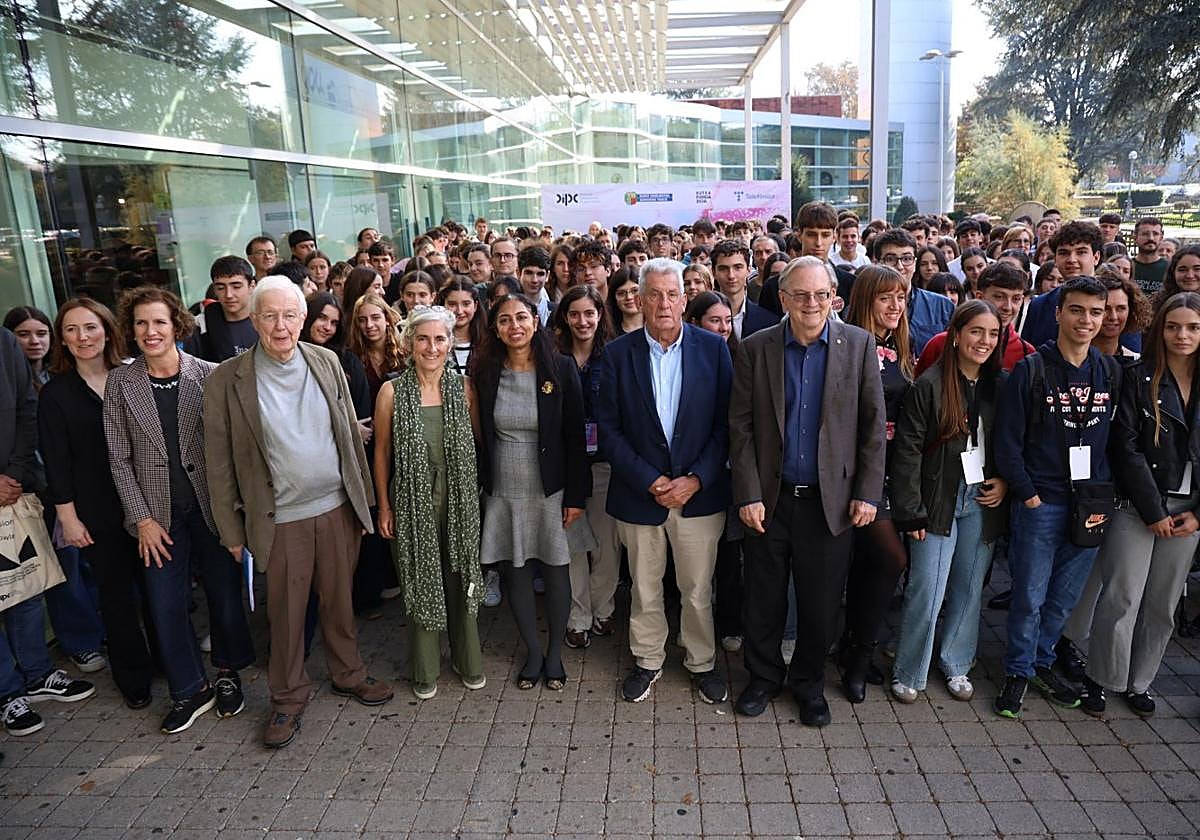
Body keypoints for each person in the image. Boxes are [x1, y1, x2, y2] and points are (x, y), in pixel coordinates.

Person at [204, 276, 392, 748]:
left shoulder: (326, 360)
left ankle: (349, 673)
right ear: (253, 321)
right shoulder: (228, 379)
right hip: (280, 518)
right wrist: (231, 530)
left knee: (340, 601)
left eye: (289, 315)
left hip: (336, 507)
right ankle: (287, 698)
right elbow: (219, 462)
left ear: (303, 319)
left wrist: (363, 502)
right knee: (286, 614)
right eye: (269, 315)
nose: (280, 325)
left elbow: (348, 433)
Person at [729, 255, 886, 726]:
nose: (811, 303)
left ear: (833, 298)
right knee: (763, 599)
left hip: (830, 504)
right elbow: (739, 426)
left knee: (819, 607)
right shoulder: (756, 348)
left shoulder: (858, 345)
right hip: (770, 501)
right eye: (800, 295)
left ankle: (808, 683)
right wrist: (748, 493)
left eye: (821, 294)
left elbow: (873, 428)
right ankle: (762, 678)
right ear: (783, 299)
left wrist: (867, 493)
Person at [104, 286, 253, 734]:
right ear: (132, 331)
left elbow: (233, 450)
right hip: (157, 518)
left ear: (177, 327)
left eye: (159, 322)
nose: (150, 331)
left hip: (212, 511)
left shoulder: (210, 374)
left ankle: (227, 675)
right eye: (141, 323)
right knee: (166, 605)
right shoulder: (121, 382)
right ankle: (190, 689)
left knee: (225, 597)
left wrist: (237, 515)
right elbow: (119, 457)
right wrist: (142, 519)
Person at [597, 257, 732, 705]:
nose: (663, 303)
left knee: (696, 589)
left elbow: (727, 426)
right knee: (644, 585)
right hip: (641, 495)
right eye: (653, 294)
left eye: (672, 294)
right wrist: (650, 479)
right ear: (639, 298)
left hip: (698, 495)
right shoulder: (617, 354)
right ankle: (647, 659)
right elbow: (608, 429)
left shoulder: (713, 350)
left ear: (685, 297)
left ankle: (701, 661)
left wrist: (694, 479)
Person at [992, 276, 1121, 719]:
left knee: (1063, 597)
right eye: (1078, 310)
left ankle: (1042, 663)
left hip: (1090, 504)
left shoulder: (1108, 370)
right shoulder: (1031, 369)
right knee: (1029, 594)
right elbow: (1006, 442)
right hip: (1041, 502)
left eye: (1096, 312)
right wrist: (1027, 495)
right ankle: (1018, 670)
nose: (1087, 320)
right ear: (1060, 313)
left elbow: (1120, 441)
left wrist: (1108, 496)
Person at [1078, 292, 1200, 717]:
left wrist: (1198, 514)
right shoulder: (1138, 377)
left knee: (1163, 603)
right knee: (1122, 595)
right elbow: (1125, 447)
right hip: (1138, 504)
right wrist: (1154, 511)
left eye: (1192, 327)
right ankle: (1101, 677)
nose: (1182, 335)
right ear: (1159, 330)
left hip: (1190, 511)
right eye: (1173, 326)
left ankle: (1140, 681)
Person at [889, 300, 1009, 702]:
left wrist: (1005, 482)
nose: (985, 341)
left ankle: (957, 663)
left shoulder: (1000, 385)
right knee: (927, 588)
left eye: (993, 334)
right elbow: (905, 452)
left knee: (970, 586)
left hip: (982, 499)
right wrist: (910, 511)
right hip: (935, 499)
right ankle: (909, 670)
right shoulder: (929, 385)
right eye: (976, 331)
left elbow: (1012, 444)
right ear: (956, 335)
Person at [40, 299, 157, 708]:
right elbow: (56, 464)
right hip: (97, 511)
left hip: (148, 504)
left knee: (158, 589)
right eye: (71, 330)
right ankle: (134, 676)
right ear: (63, 339)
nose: (82, 337)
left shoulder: (132, 376)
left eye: (89, 327)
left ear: (106, 330)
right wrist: (68, 519)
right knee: (117, 596)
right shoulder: (56, 394)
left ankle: (167, 660)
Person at [475, 293, 589, 691]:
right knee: (516, 575)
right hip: (504, 489)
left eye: (521, 317)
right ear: (495, 329)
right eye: (504, 320)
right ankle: (533, 653)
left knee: (557, 574)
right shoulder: (485, 372)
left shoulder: (560, 368)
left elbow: (577, 438)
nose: (514, 326)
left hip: (552, 489)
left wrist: (576, 496)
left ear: (535, 320)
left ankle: (555, 653)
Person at [374, 306, 484, 699]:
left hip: (459, 500)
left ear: (450, 343)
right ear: (409, 344)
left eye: (439, 339)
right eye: (423, 339)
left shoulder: (464, 387)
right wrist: (384, 506)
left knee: (460, 577)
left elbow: (478, 445)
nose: (431, 347)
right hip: (411, 501)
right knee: (421, 581)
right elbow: (382, 453)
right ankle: (425, 667)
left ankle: (467, 658)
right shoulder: (391, 391)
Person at [0, 325, 95, 737]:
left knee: (24, 586)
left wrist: (14, 473)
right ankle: (6, 693)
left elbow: (25, 409)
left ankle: (37, 674)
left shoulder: (4, 342)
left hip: (13, 488)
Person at [838, 265, 914, 703]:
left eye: (900, 298)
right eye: (885, 298)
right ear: (866, 299)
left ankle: (857, 651)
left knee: (878, 564)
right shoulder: (845, 344)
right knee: (889, 559)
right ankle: (857, 654)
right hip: (850, 473)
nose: (894, 306)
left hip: (892, 474)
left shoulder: (902, 346)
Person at [552, 285, 621, 649]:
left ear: (600, 315)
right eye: (575, 313)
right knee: (573, 545)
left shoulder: (613, 356)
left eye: (589, 313)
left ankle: (603, 610)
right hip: (565, 465)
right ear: (565, 316)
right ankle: (577, 616)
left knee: (607, 545)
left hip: (605, 464)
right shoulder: (551, 357)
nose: (583, 321)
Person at [684, 290, 746, 651]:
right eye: (714, 320)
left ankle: (731, 623)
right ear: (695, 322)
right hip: (701, 470)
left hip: (734, 471)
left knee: (730, 553)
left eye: (727, 321)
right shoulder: (693, 361)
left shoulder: (745, 356)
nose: (723, 328)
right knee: (698, 558)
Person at [346, 293, 403, 615]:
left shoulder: (404, 353)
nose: (370, 325)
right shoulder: (352, 359)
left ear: (387, 318)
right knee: (373, 510)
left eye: (375, 318)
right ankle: (373, 585)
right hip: (368, 448)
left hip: (402, 444)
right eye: (363, 320)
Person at [917, 263, 1036, 375]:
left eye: (1016, 299)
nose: (1008, 307)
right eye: (999, 297)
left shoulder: (1026, 353)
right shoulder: (941, 344)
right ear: (979, 297)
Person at [872, 228, 954, 354]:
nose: (899, 266)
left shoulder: (943, 306)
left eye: (906, 259)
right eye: (890, 259)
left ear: (915, 263)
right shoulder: (866, 308)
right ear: (877, 263)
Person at [301, 292, 372, 424]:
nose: (327, 327)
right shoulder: (292, 355)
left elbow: (363, 414)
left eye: (334, 323)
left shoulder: (348, 361)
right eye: (322, 318)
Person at [188, 256, 258, 362]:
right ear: (214, 290)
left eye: (236, 287)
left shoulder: (268, 319)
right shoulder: (202, 325)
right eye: (220, 288)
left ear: (252, 286)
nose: (228, 294)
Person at [711, 239, 777, 340]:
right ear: (714, 272)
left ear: (748, 270)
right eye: (723, 268)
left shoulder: (769, 322)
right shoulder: (702, 322)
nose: (731, 275)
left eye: (738, 267)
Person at [437, 278, 486, 377]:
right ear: (443, 305)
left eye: (466, 304)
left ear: (475, 306)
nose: (459, 311)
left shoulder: (487, 342)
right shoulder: (434, 343)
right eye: (452, 304)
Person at [3, 307, 52, 388]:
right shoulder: (6, 379)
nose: (34, 341)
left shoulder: (65, 372)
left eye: (41, 334)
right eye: (23, 334)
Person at [1131, 217, 1167, 296]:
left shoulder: (1170, 268)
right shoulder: (1126, 267)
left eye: (1155, 234)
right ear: (1135, 237)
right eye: (1145, 234)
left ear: (1161, 237)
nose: (1151, 238)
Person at [517, 246, 553, 325]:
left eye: (540, 274)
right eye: (529, 273)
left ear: (547, 276)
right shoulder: (508, 308)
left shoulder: (556, 311)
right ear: (518, 273)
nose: (534, 280)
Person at [607, 268, 643, 336]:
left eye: (635, 291)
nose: (629, 297)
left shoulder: (658, 328)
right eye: (621, 293)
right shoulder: (608, 333)